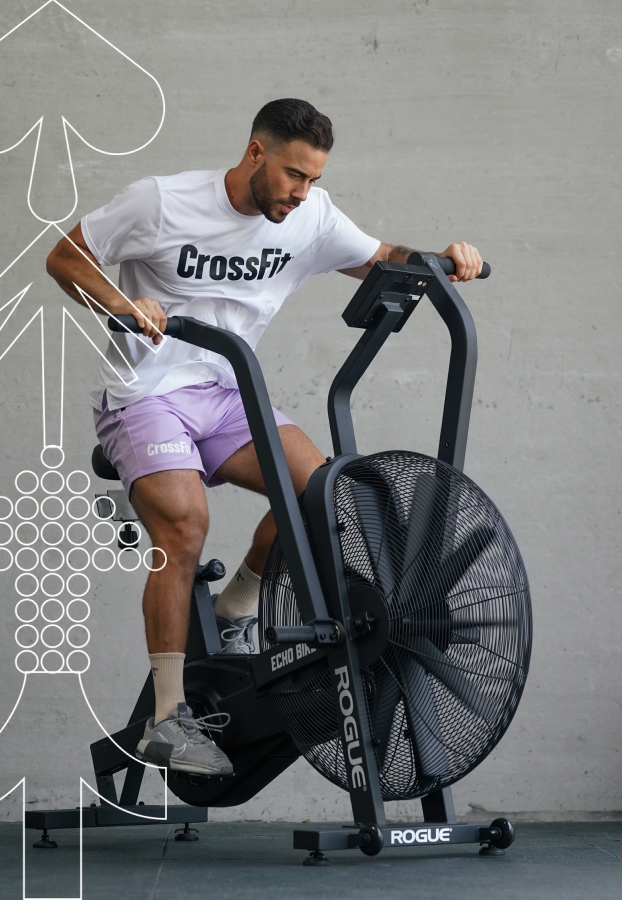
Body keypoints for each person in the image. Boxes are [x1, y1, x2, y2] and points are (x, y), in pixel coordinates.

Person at [46, 98, 483, 776]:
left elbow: (382, 258)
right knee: (185, 525)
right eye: (290, 175)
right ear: (255, 153)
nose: (300, 192)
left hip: (228, 397)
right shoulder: (162, 202)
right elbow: (66, 257)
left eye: (311, 179)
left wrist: (446, 257)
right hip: (146, 397)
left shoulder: (308, 215)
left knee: (323, 492)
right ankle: (165, 718)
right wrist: (126, 306)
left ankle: (234, 608)